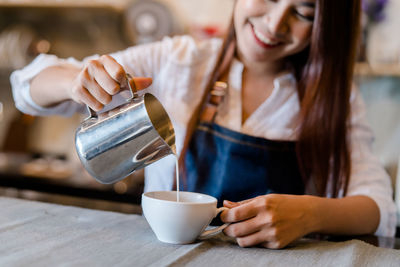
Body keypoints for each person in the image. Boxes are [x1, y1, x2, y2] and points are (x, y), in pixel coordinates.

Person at [10, 0, 397, 249]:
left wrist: (313, 214)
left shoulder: (331, 99)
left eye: (305, 12)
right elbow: (26, 85)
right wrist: (75, 81)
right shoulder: (179, 60)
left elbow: (379, 207)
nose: (275, 24)